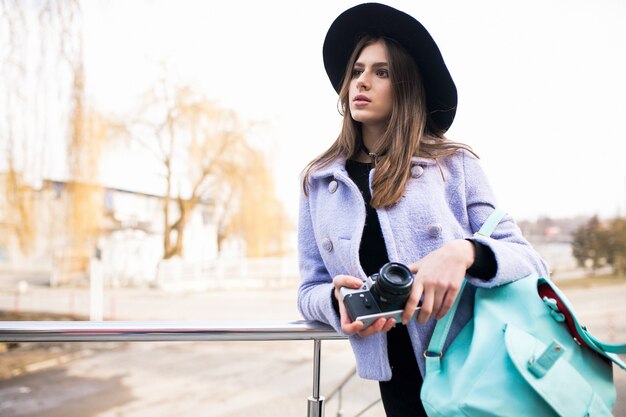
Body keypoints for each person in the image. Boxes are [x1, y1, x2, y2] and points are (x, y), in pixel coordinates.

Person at [296, 3, 549, 417]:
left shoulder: (454, 165)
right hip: (396, 381)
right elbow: (308, 291)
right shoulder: (319, 183)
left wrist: (464, 252)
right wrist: (336, 299)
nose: (362, 81)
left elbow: (531, 261)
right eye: (357, 70)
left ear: (406, 87)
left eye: (382, 72)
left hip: (474, 366)